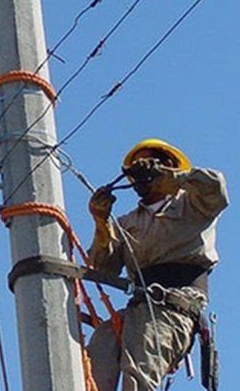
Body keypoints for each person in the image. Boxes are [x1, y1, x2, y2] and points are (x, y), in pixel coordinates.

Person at [86, 138, 229, 391]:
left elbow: (216, 189)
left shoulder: (192, 203)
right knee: (97, 354)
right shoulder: (126, 223)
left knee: (138, 374)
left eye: (153, 162)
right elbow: (103, 268)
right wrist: (101, 223)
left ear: (170, 166)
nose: (144, 171)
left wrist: (176, 179)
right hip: (138, 306)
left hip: (175, 305)